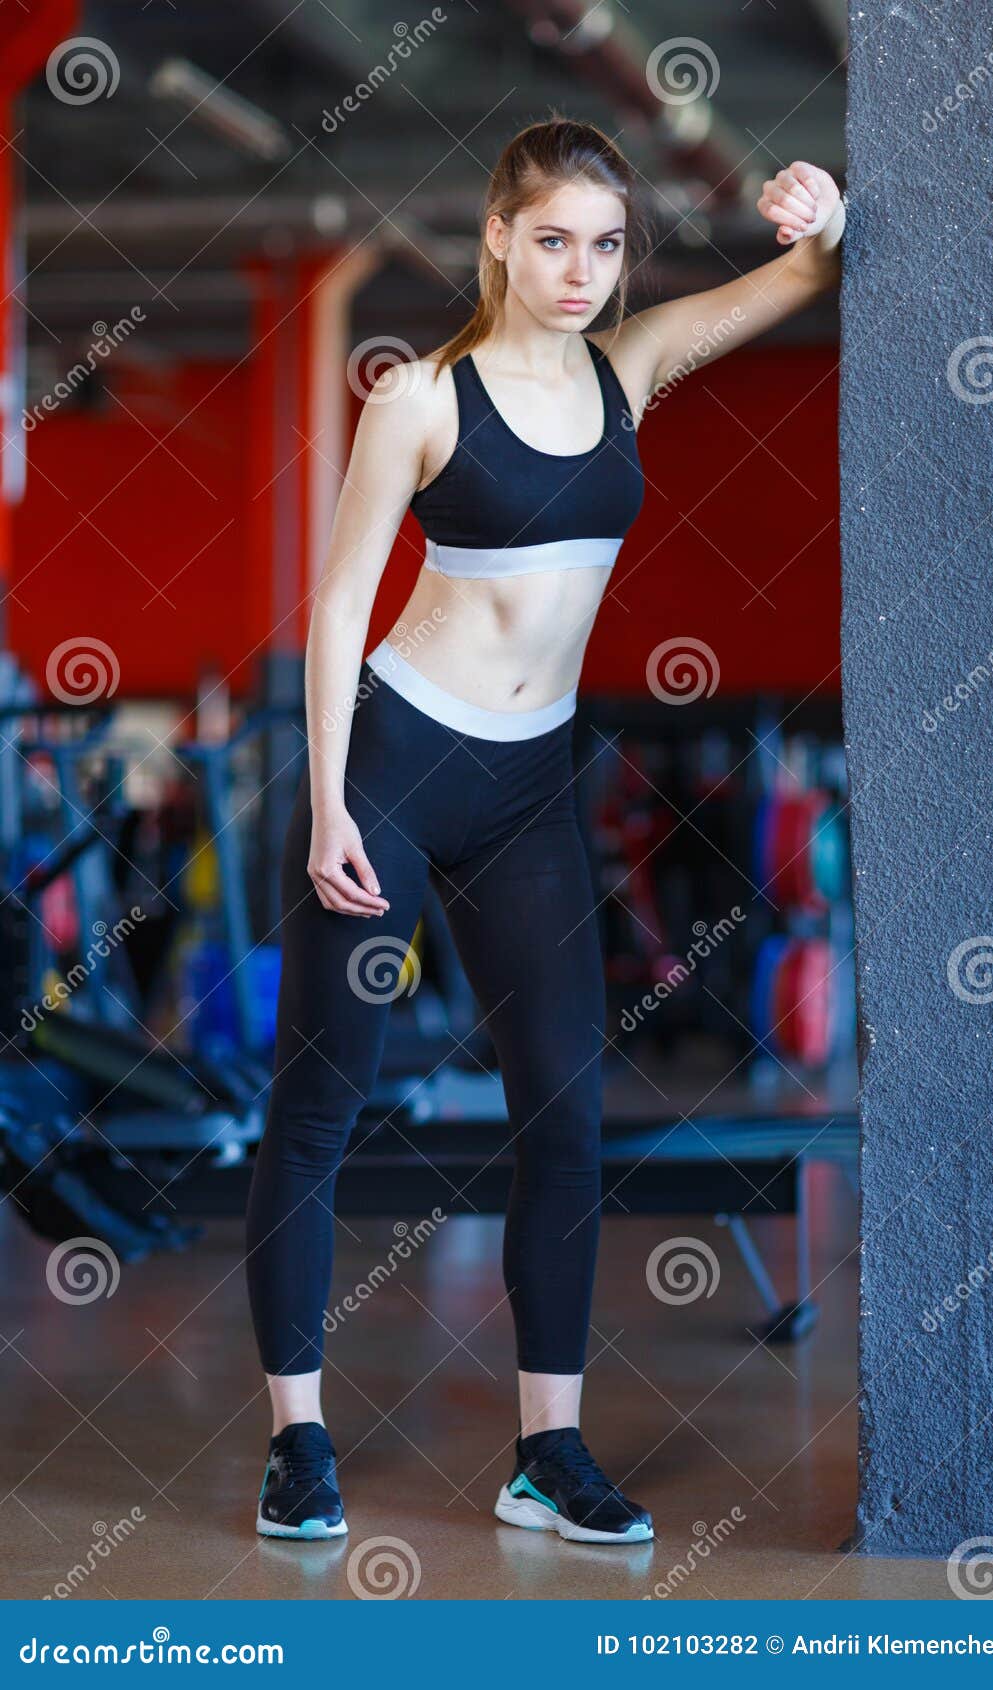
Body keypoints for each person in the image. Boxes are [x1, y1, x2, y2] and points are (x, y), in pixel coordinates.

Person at [245, 116, 844, 1544]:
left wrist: (818, 202)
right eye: (556, 239)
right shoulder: (423, 400)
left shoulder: (623, 367)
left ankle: (545, 1454)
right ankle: (296, 1443)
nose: (583, 270)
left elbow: (805, 279)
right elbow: (336, 608)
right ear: (501, 237)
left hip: (528, 786)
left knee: (567, 1118)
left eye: (609, 243)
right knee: (322, 1105)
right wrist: (330, 799)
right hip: (393, 763)